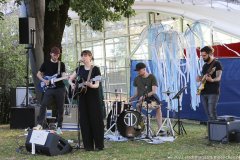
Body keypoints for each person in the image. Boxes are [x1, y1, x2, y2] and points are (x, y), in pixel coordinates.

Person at [68, 50, 104, 151]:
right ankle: (88, 146)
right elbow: (70, 79)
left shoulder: (95, 69)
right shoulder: (79, 69)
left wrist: (90, 85)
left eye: (85, 56)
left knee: (95, 120)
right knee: (84, 121)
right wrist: (72, 84)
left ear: (90, 57)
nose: (83, 58)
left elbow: (96, 84)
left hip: (93, 98)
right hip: (82, 97)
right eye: (82, 56)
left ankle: (99, 145)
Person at [33, 46, 66, 130]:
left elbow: (63, 76)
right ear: (51, 54)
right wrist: (44, 80)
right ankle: (39, 124)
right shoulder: (46, 63)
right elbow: (38, 74)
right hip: (49, 88)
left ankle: (59, 126)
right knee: (43, 104)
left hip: (59, 88)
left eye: (58, 55)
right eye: (54, 54)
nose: (56, 56)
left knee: (60, 107)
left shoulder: (61, 64)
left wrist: (66, 77)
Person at [129, 62, 163, 132]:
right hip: (142, 101)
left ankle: (160, 128)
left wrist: (144, 96)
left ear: (144, 69)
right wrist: (131, 98)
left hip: (152, 99)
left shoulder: (152, 77)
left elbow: (153, 91)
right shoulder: (136, 79)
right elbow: (136, 93)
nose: (138, 72)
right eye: (137, 70)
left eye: (139, 70)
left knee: (158, 107)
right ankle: (143, 119)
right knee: (138, 105)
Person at [197, 46, 223, 121]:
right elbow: (204, 79)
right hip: (204, 91)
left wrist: (212, 80)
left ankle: (216, 130)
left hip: (213, 92)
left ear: (210, 54)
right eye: (201, 56)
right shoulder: (205, 66)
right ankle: (212, 130)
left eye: (204, 55)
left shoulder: (217, 64)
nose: (202, 57)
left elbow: (219, 77)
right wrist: (200, 78)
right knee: (208, 113)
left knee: (212, 112)